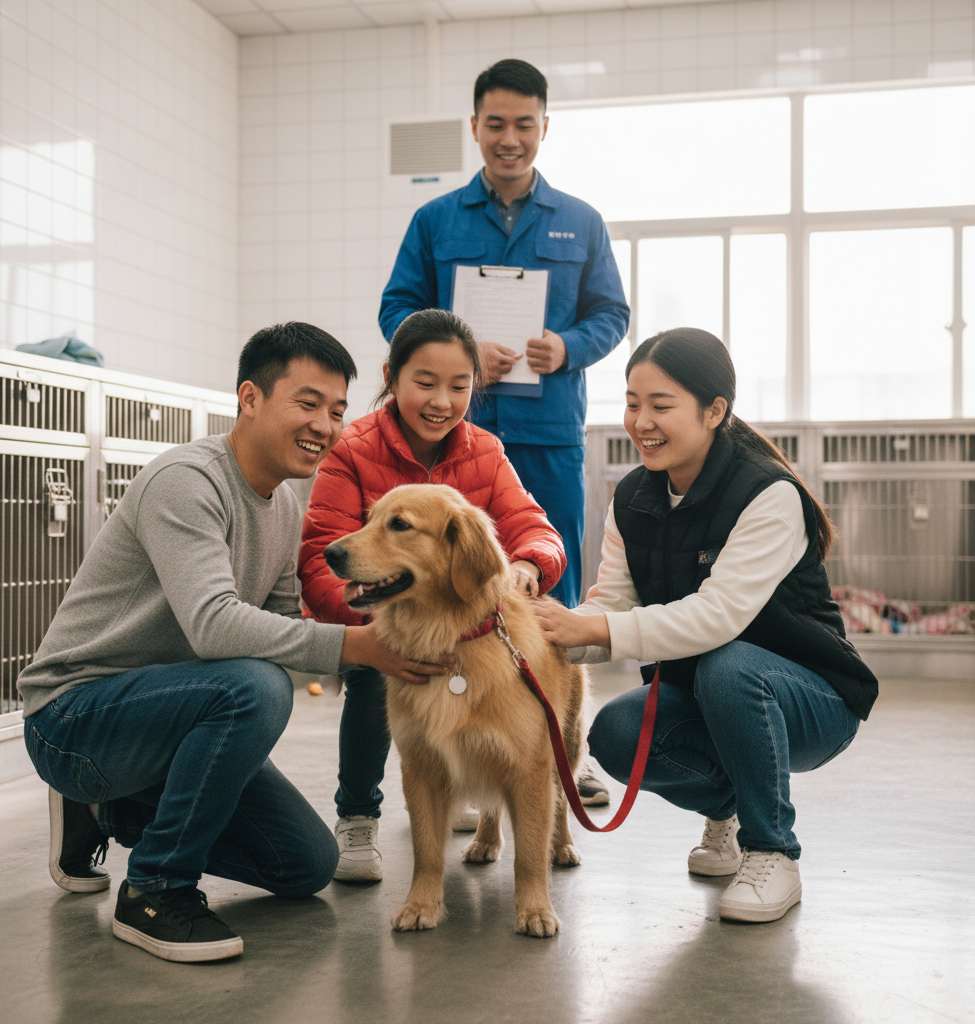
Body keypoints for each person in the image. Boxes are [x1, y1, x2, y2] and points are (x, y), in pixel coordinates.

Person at [18, 322, 451, 963]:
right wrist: (359, 649)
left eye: (336, 411)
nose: (325, 426)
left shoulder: (281, 507)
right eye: (307, 404)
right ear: (250, 398)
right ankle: (155, 889)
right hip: (75, 717)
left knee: (305, 864)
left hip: (173, 714)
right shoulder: (187, 482)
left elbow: (278, 630)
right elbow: (216, 626)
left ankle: (108, 811)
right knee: (255, 685)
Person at [534, 327, 878, 923]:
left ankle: (773, 851)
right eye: (633, 402)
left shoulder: (768, 494)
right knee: (616, 731)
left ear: (715, 410)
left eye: (661, 406)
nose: (641, 421)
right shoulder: (633, 498)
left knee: (729, 664)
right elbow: (609, 603)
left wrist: (591, 631)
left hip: (812, 699)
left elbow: (717, 618)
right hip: (707, 693)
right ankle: (729, 809)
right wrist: (548, 632)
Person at [298, 308, 568, 882]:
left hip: (471, 621)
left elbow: (535, 528)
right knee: (379, 664)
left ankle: (499, 791)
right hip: (386, 622)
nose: (441, 400)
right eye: (424, 382)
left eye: (459, 386)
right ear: (392, 377)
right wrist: (376, 634)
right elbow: (323, 556)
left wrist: (526, 565)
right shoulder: (351, 448)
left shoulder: (486, 451)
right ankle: (358, 815)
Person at [378, 59, 630, 614]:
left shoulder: (581, 221)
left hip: (549, 434)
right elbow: (396, 309)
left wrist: (568, 347)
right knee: (448, 579)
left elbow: (612, 314)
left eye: (523, 124)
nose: (509, 140)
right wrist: (456, 361)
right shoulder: (435, 220)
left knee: (548, 571)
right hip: (453, 432)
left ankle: (547, 696)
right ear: (474, 127)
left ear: (545, 126)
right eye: (495, 125)